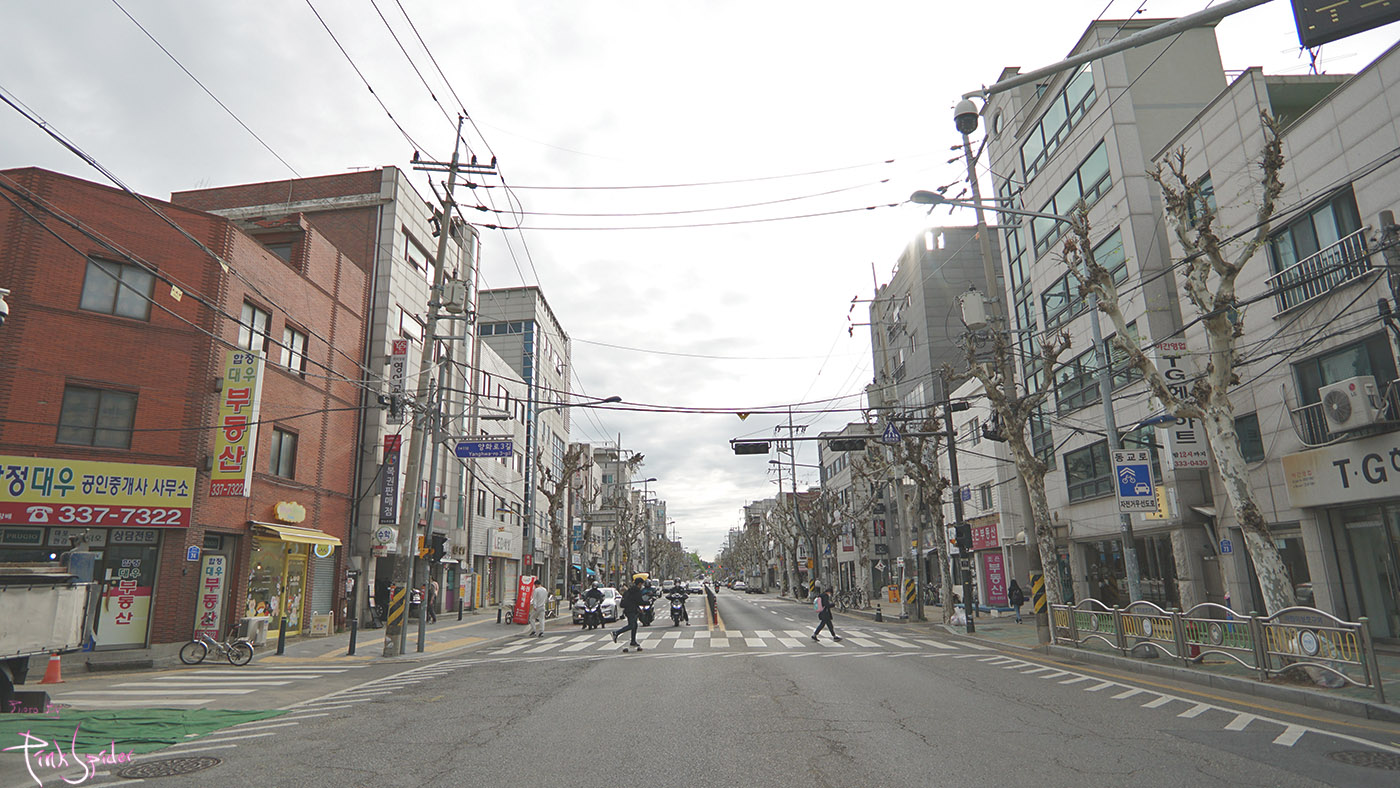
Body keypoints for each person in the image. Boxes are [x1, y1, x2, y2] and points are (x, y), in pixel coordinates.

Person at [612, 577, 646, 649]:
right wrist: (648, 602)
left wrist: (639, 609)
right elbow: (640, 601)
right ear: (639, 584)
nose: (642, 586)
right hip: (631, 611)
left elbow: (633, 601)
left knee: (635, 625)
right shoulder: (636, 591)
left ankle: (633, 641)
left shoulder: (630, 590)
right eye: (641, 584)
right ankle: (616, 633)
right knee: (631, 625)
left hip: (628, 610)